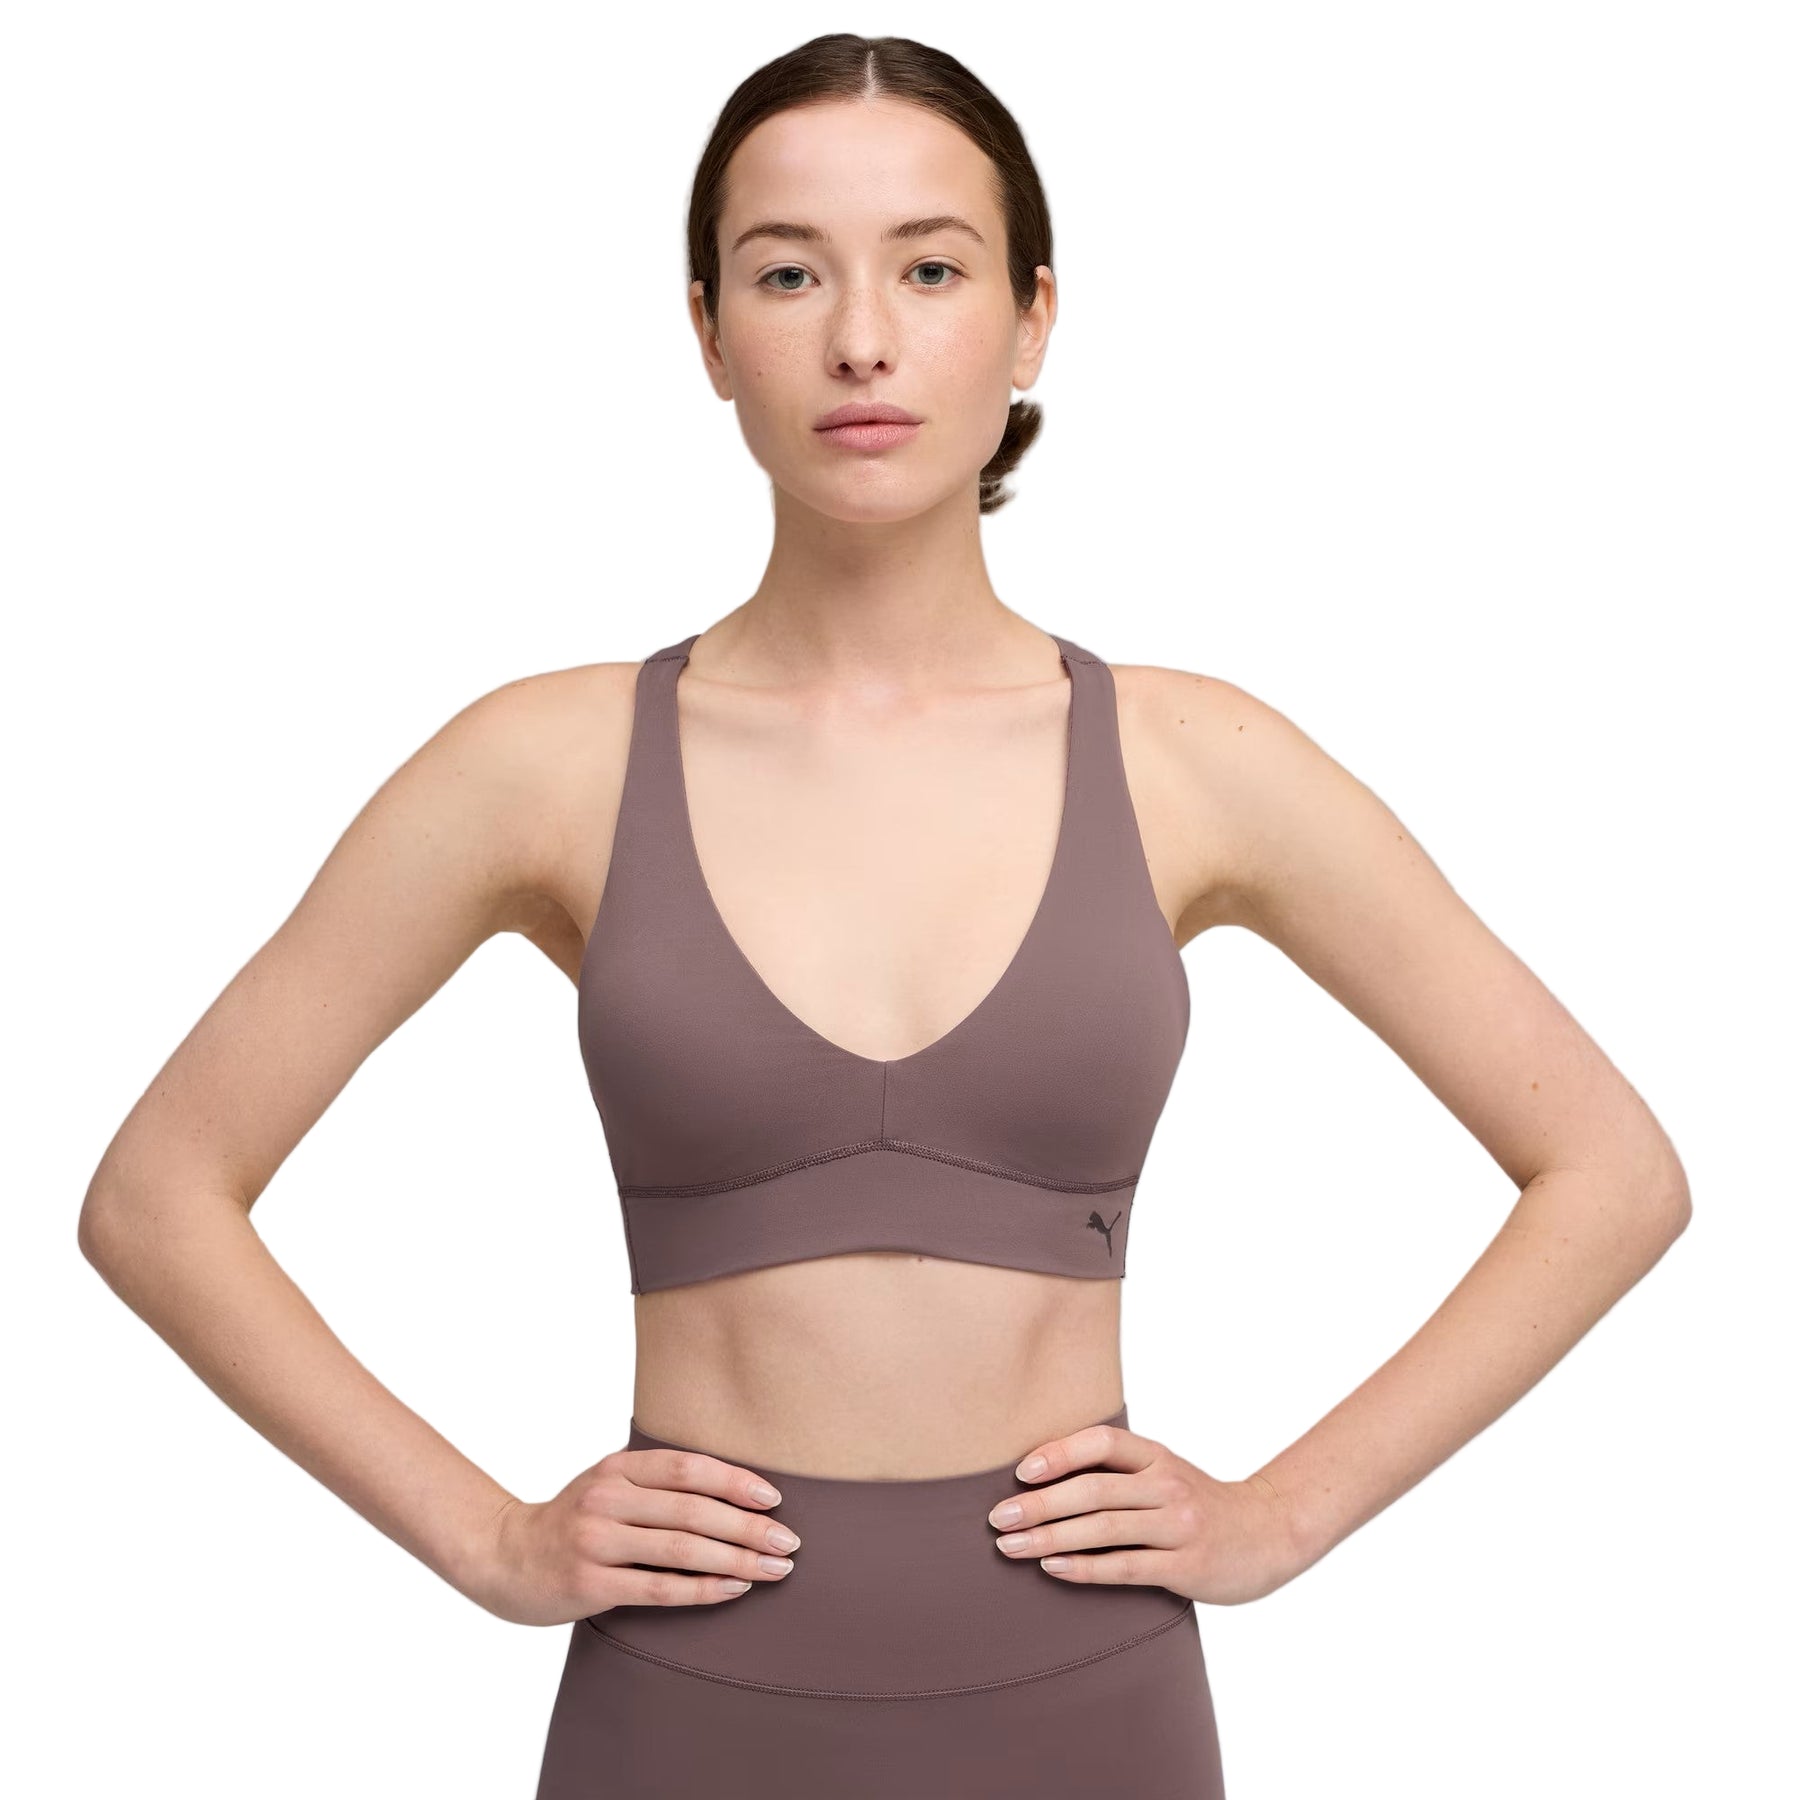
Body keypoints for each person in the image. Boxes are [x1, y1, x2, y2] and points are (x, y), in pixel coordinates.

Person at [77, 31, 1691, 1800]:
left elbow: (1610, 1172)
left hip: (1092, 1704)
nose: (862, 337)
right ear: (708, 333)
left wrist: (1286, 1514)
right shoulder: (542, 764)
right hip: (684, 1707)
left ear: (1032, 318)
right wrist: (487, 1540)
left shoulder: (1196, 760)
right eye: (789, 274)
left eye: (931, 269)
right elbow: (159, 1197)